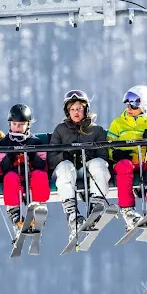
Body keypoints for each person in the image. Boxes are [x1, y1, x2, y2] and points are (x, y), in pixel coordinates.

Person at [47, 90, 111, 238]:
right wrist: (64, 155)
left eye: (79, 109)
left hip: (86, 169)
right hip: (68, 170)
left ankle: (95, 207)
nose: (76, 112)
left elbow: (104, 156)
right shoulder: (60, 130)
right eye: (72, 109)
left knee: (99, 165)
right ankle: (72, 215)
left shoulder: (96, 130)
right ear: (68, 111)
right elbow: (51, 159)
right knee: (65, 168)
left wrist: (90, 155)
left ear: (85, 109)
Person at [107, 85, 147, 230]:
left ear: (145, 106)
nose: (129, 107)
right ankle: (128, 210)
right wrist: (115, 153)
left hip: (144, 161)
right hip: (128, 163)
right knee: (123, 166)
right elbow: (108, 145)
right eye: (128, 103)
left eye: (134, 104)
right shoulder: (118, 123)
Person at [0, 104, 50, 234]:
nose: (17, 128)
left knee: (39, 175)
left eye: (21, 125)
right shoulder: (4, 143)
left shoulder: (35, 142)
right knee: (10, 178)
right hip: (15, 176)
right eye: (14, 124)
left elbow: (44, 166)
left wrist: (33, 155)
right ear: (10, 124)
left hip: (31, 175)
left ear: (28, 125)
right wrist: (9, 156)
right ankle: (15, 213)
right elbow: (0, 168)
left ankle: (38, 208)